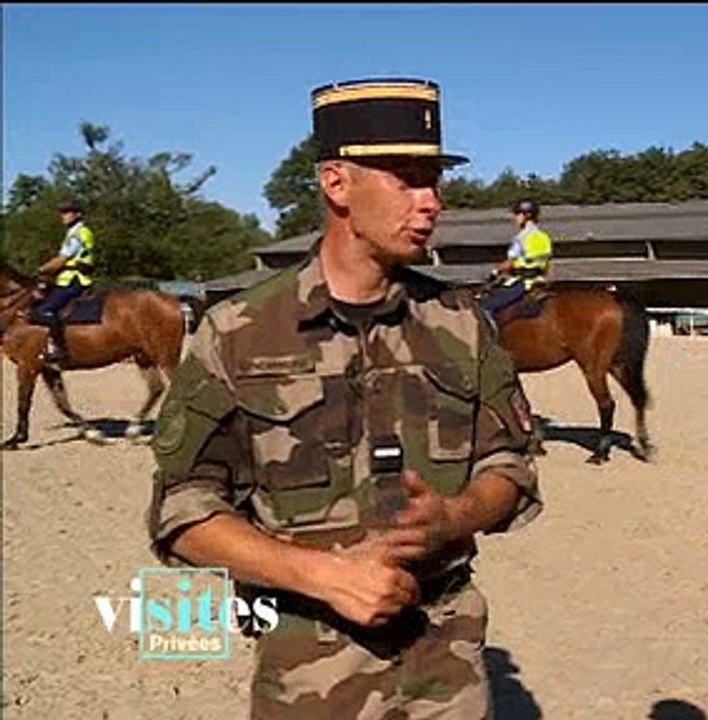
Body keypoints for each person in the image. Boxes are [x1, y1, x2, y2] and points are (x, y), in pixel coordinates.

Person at [146, 77, 542, 719]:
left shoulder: (462, 324)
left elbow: (512, 466)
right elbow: (183, 511)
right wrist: (322, 575)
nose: (432, 202)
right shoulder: (238, 333)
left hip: (448, 663)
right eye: (407, 179)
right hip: (307, 670)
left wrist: (456, 516)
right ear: (337, 184)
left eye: (435, 180)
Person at [31, 198, 96, 365]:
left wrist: (41, 269)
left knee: (43, 311)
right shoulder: (74, 232)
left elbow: (62, 259)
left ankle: (60, 349)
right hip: (67, 279)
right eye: (62, 212)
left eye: (67, 212)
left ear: (78, 214)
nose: (63, 216)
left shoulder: (78, 233)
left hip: (75, 280)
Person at [481, 198, 553, 317]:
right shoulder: (544, 237)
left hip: (522, 284)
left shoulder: (521, 238)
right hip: (540, 281)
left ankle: (490, 334)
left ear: (527, 215)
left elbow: (510, 263)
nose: (515, 218)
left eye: (517, 214)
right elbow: (548, 264)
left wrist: (494, 273)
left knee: (485, 307)